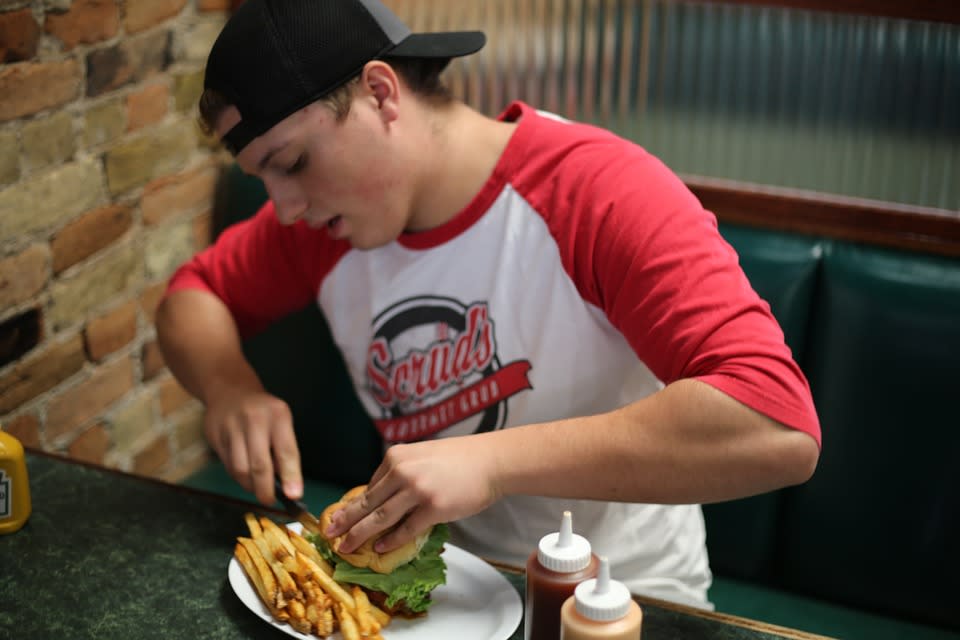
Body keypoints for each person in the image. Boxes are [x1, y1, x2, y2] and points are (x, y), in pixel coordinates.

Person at [156, 0, 820, 608]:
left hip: (621, 601)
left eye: (293, 162)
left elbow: (775, 425)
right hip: (441, 603)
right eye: (263, 179)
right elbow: (194, 295)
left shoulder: (596, 190)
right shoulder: (325, 224)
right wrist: (228, 389)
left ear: (380, 93)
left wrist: (492, 462)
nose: (286, 208)